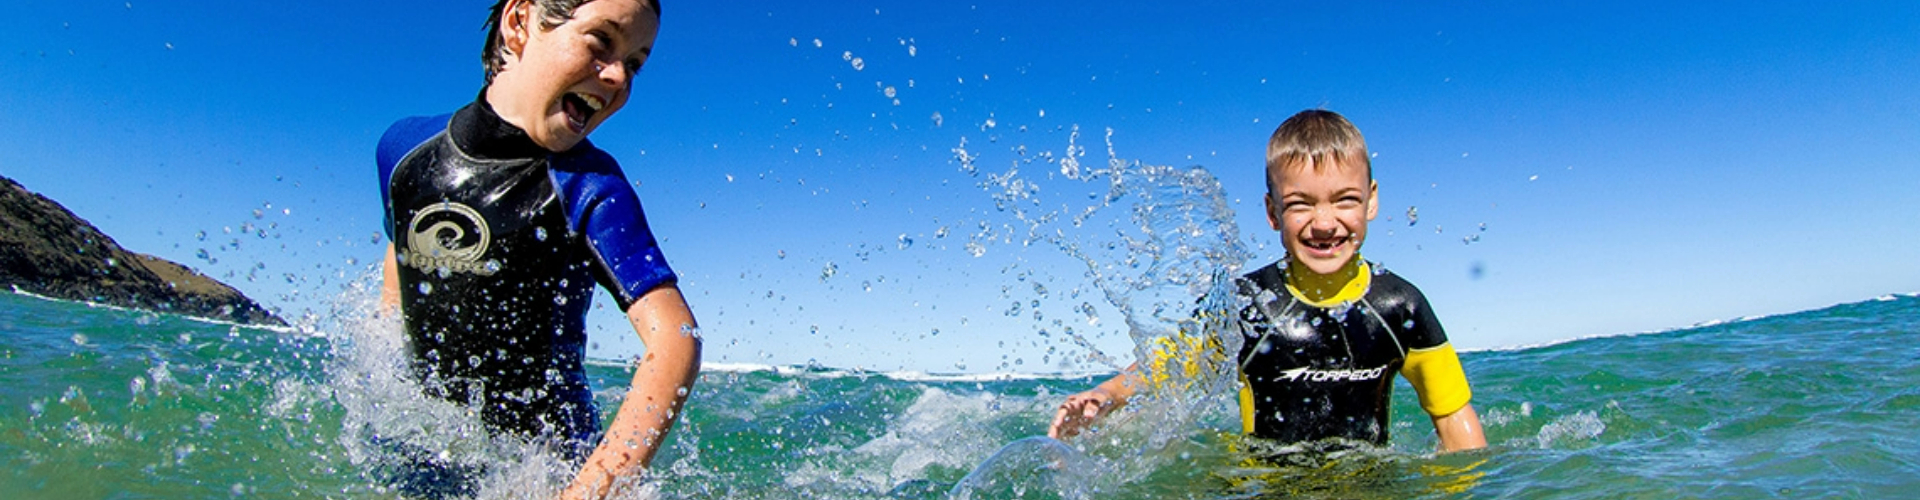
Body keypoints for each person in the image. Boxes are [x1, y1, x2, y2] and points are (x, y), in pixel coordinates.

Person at [374, 0, 698, 498]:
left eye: (634, 63)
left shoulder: (591, 187)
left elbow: (675, 337)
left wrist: (589, 489)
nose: (617, 76)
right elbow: (401, 254)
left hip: (544, 469)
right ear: (519, 22)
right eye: (600, 42)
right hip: (425, 450)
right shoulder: (403, 148)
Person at [1049, 110, 1487, 454]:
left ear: (1371, 200)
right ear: (1272, 212)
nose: (1324, 223)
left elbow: (1452, 416)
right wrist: (1105, 394)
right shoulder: (1248, 304)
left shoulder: (1400, 306)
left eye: (1344, 200)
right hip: (1262, 488)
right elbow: (1171, 364)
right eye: (1300, 205)